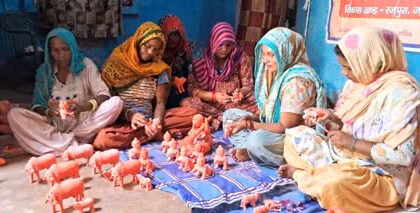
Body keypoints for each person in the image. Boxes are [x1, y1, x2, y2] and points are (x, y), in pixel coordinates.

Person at [278, 26, 420, 212]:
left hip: (380, 173)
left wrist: (353, 143)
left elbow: (403, 156)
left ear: (372, 61)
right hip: (343, 157)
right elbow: (348, 125)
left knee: (336, 183)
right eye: (342, 66)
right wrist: (330, 118)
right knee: (295, 135)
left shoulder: (403, 93)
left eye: (348, 67)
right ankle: (318, 178)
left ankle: (302, 175)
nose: (344, 73)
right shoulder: (358, 83)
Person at [6, 28, 123, 156]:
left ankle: (58, 144)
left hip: (84, 124)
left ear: (72, 48)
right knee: (14, 115)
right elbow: (36, 104)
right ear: (49, 52)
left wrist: (83, 107)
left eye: (65, 49)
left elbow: (104, 94)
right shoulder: (44, 71)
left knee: (116, 103)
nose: (61, 55)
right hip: (54, 125)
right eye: (55, 50)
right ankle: (74, 144)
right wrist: (49, 111)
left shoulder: (86, 65)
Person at [223, 27, 325, 166]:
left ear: (286, 53)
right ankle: (253, 150)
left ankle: (255, 150)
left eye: (271, 55)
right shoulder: (280, 74)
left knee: (258, 140)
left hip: (293, 138)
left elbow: (285, 127)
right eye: (264, 54)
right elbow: (270, 114)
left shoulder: (297, 82)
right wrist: (251, 118)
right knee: (230, 115)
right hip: (276, 130)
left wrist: (250, 124)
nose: (265, 60)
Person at [95, 22, 170, 150]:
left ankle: (150, 133)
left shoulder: (159, 69)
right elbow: (109, 100)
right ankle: (150, 135)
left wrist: (157, 121)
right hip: (123, 121)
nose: (150, 52)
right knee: (103, 139)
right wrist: (130, 116)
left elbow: (160, 103)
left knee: (190, 115)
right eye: (147, 46)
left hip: (150, 120)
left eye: (156, 49)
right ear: (138, 41)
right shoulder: (116, 63)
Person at [180, 22, 258, 130]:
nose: (224, 49)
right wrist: (214, 96)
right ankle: (226, 117)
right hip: (211, 104)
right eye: (220, 45)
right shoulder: (201, 59)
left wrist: (240, 93)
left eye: (228, 45)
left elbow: (248, 85)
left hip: (235, 103)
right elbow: (193, 90)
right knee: (187, 103)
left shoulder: (239, 57)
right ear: (214, 42)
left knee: (259, 105)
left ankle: (224, 119)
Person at [158, 14, 194, 108]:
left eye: (177, 34)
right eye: (170, 34)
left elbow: (189, 75)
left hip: (181, 95)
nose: (174, 39)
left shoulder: (185, 50)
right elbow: (151, 74)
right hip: (159, 94)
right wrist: (172, 80)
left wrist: (185, 80)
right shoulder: (155, 50)